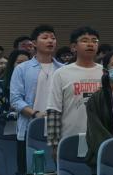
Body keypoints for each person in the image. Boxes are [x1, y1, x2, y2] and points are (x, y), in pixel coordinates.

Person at [44, 27, 104, 160]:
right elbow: (54, 110)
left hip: (101, 138)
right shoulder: (61, 73)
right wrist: (54, 144)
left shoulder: (105, 72)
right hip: (70, 138)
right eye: (85, 40)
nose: (90, 44)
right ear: (73, 47)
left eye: (94, 41)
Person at [10, 24, 63, 171]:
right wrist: (35, 113)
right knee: (29, 173)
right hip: (30, 127)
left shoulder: (63, 69)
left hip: (58, 128)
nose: (50, 41)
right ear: (34, 43)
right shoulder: (22, 68)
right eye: (45, 38)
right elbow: (15, 99)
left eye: (53, 38)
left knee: (57, 173)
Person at [0, 50, 30, 121]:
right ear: (11, 64)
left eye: (27, 63)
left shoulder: (34, 85)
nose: (23, 66)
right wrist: (22, 114)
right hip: (6, 126)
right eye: (19, 62)